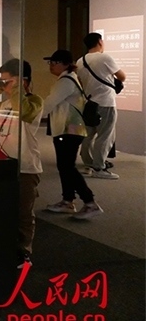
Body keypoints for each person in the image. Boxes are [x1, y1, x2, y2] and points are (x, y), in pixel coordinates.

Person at [0, 59, 43, 267]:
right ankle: (5, 245)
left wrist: (17, 89)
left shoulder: (34, 101)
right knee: (3, 208)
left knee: (23, 212)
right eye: (3, 81)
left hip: (25, 165)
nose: (4, 85)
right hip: (4, 163)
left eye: (8, 81)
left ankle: (24, 251)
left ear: (23, 81)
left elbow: (24, 112)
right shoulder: (6, 103)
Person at [41, 49, 104, 220]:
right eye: (50, 62)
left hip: (69, 129)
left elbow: (49, 103)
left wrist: (31, 115)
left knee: (67, 167)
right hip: (68, 129)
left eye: (54, 62)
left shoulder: (66, 81)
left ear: (65, 64)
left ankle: (90, 202)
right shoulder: (68, 79)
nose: (51, 66)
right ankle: (67, 200)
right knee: (64, 166)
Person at [76, 32, 126, 179]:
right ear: (99, 42)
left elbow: (80, 82)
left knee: (88, 135)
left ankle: (88, 163)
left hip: (89, 103)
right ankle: (99, 167)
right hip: (106, 102)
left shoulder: (80, 61)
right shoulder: (105, 58)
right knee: (105, 136)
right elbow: (122, 76)